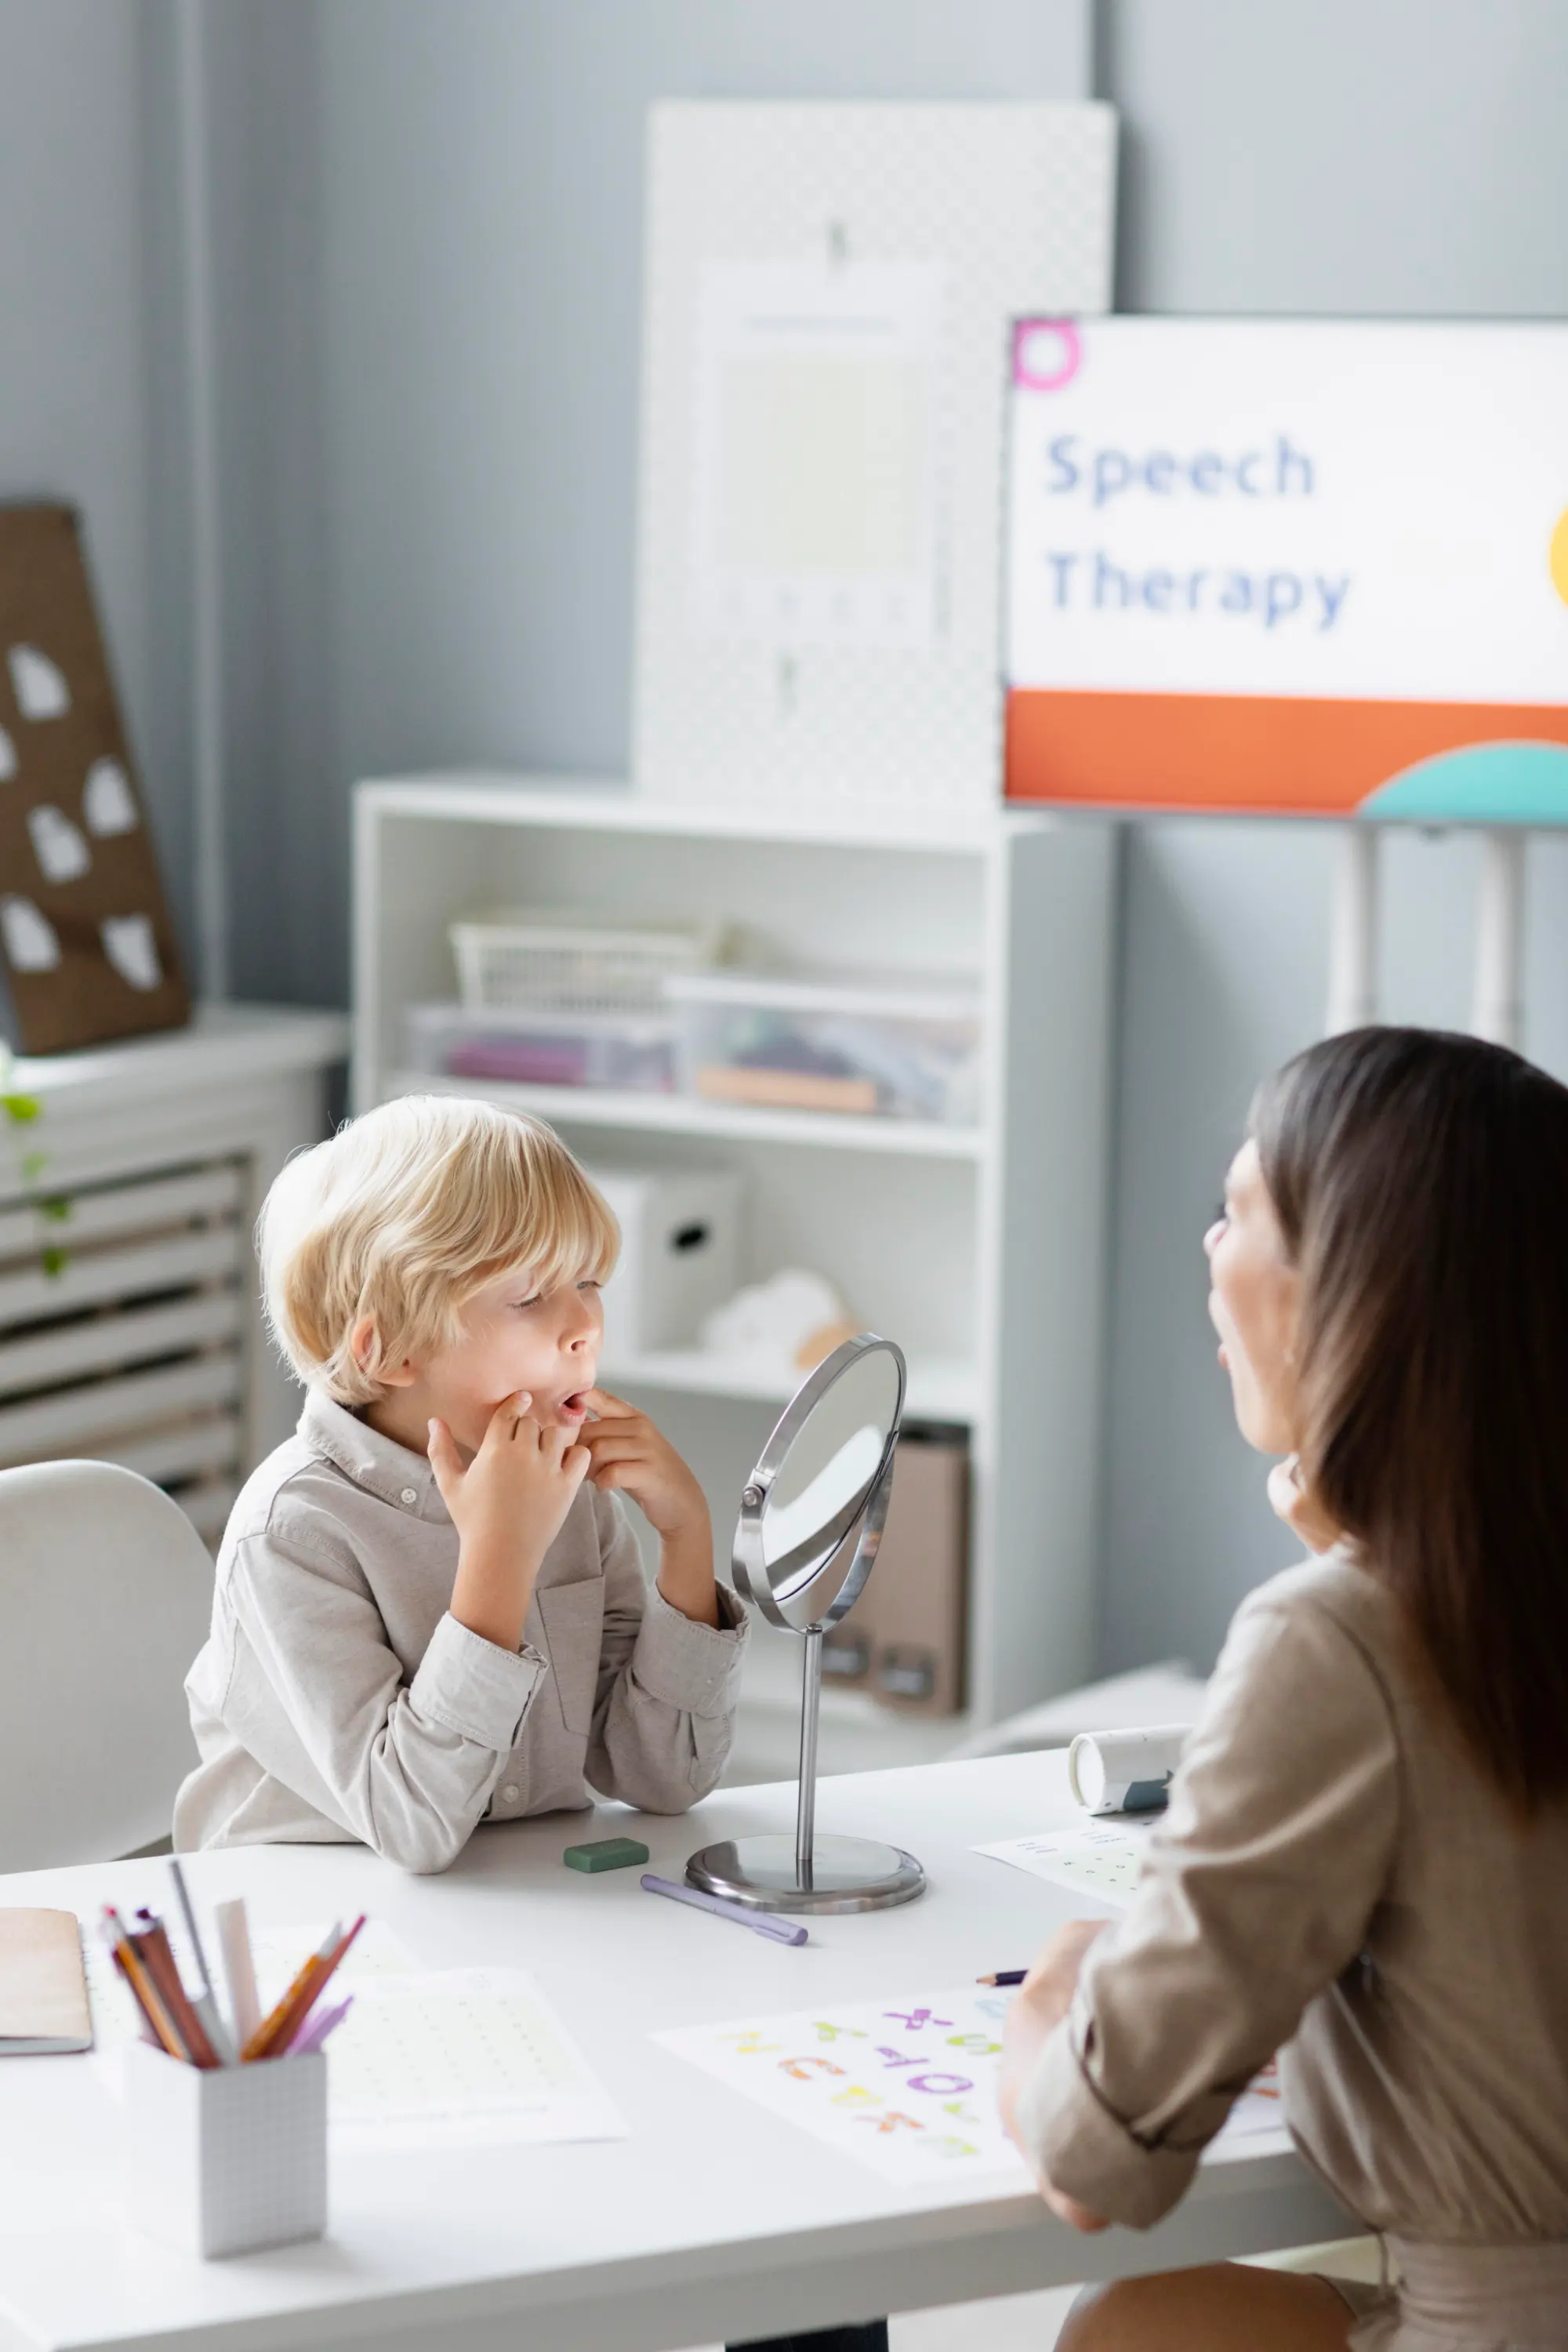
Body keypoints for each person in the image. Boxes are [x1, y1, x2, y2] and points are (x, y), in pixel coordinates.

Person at [1000, 1027, 1568, 2351]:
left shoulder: (1340, 1639)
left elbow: (1093, 2164)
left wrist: (1056, 1990)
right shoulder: (1444, 1614)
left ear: (1348, 1291)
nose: (1209, 1246)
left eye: (1242, 1210)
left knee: (1125, 2331)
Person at [175, 1094, 748, 1867]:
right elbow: (411, 1823)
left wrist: (686, 1538)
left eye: (589, 1283)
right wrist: (502, 1556)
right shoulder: (292, 1535)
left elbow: (662, 1778)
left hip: (512, 1908)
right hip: (313, 1916)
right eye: (528, 1296)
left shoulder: (570, 1492)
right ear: (392, 1352)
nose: (583, 1325)